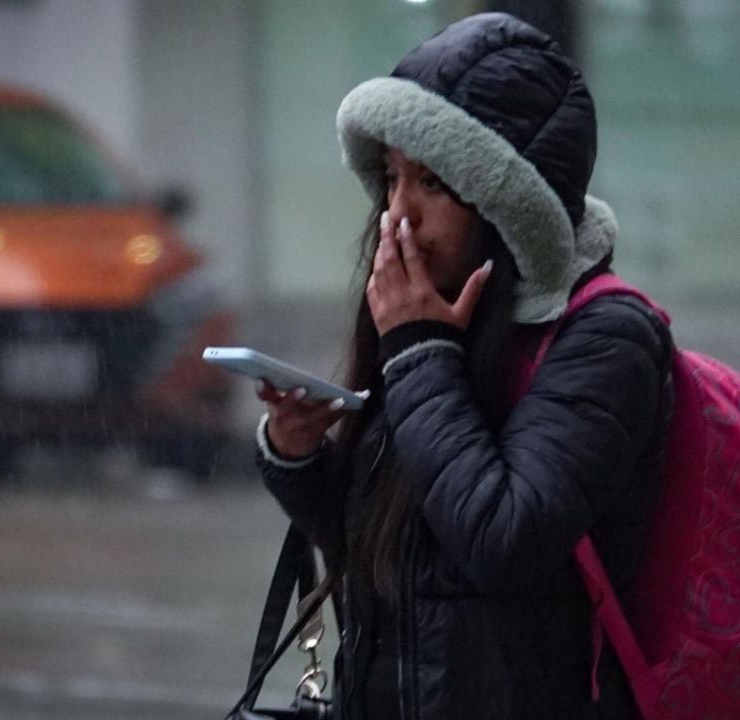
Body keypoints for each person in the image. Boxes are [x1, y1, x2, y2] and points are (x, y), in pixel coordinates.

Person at [254, 12, 673, 719]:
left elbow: (500, 539)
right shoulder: (440, 321)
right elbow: (394, 557)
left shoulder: (606, 339)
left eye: (434, 184)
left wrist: (419, 354)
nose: (398, 215)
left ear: (509, 205)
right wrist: (297, 455)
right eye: (391, 177)